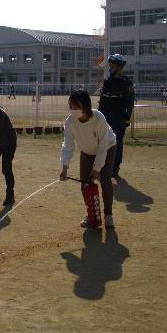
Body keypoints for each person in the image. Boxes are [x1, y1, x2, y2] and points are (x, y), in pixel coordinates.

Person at [60, 90, 117, 229]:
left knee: (105, 180)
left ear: (85, 105)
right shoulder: (70, 122)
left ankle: (108, 215)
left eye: (76, 106)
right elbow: (68, 145)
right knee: (85, 184)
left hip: (107, 148)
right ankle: (91, 215)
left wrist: (97, 168)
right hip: (86, 151)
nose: (72, 109)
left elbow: (103, 145)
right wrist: (64, 167)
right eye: (70, 106)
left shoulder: (98, 117)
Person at [98, 54, 135, 178]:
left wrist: (126, 118)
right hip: (105, 117)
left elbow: (129, 103)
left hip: (119, 118)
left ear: (119, 67)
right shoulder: (107, 82)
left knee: (117, 143)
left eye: (113, 66)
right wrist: (98, 117)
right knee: (103, 142)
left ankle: (115, 168)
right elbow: (102, 101)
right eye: (110, 66)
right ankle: (104, 166)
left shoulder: (126, 83)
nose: (110, 68)